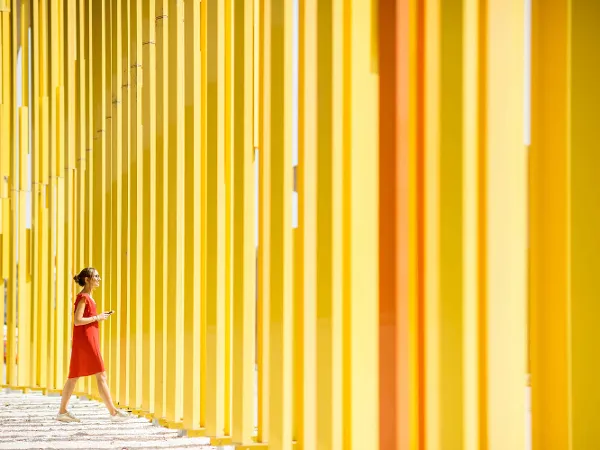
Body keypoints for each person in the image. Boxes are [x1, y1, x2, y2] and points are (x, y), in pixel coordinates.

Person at [56, 267, 129, 423]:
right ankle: (113, 413)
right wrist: (98, 317)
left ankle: (62, 412)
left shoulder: (88, 297)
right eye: (96, 276)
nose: (99, 279)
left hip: (88, 339)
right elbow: (77, 320)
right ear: (87, 279)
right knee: (101, 375)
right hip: (87, 340)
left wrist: (99, 317)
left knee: (74, 376)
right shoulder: (83, 297)